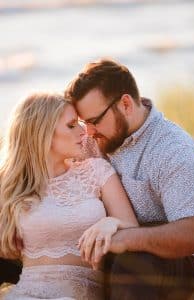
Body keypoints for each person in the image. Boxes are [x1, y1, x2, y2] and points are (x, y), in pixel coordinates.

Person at [65, 58, 194, 300]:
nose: (89, 133)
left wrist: (125, 238)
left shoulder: (174, 151)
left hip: (166, 263)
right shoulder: (91, 137)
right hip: (98, 247)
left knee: (132, 264)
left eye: (94, 122)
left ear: (125, 104)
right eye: (83, 123)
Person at [0, 92, 138, 299]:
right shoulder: (9, 182)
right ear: (42, 132)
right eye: (72, 125)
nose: (84, 131)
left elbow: (132, 228)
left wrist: (111, 222)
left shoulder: (97, 171)